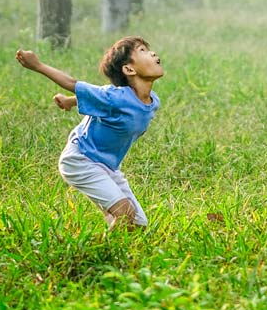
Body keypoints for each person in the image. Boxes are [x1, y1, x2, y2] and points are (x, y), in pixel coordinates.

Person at [16, 37, 163, 229]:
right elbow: (73, 83)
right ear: (129, 69)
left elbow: (99, 101)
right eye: (143, 50)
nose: (152, 53)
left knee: (137, 225)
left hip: (108, 167)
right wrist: (38, 65)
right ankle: (95, 254)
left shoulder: (153, 101)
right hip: (81, 159)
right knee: (125, 214)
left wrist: (70, 101)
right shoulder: (115, 97)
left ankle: (114, 241)